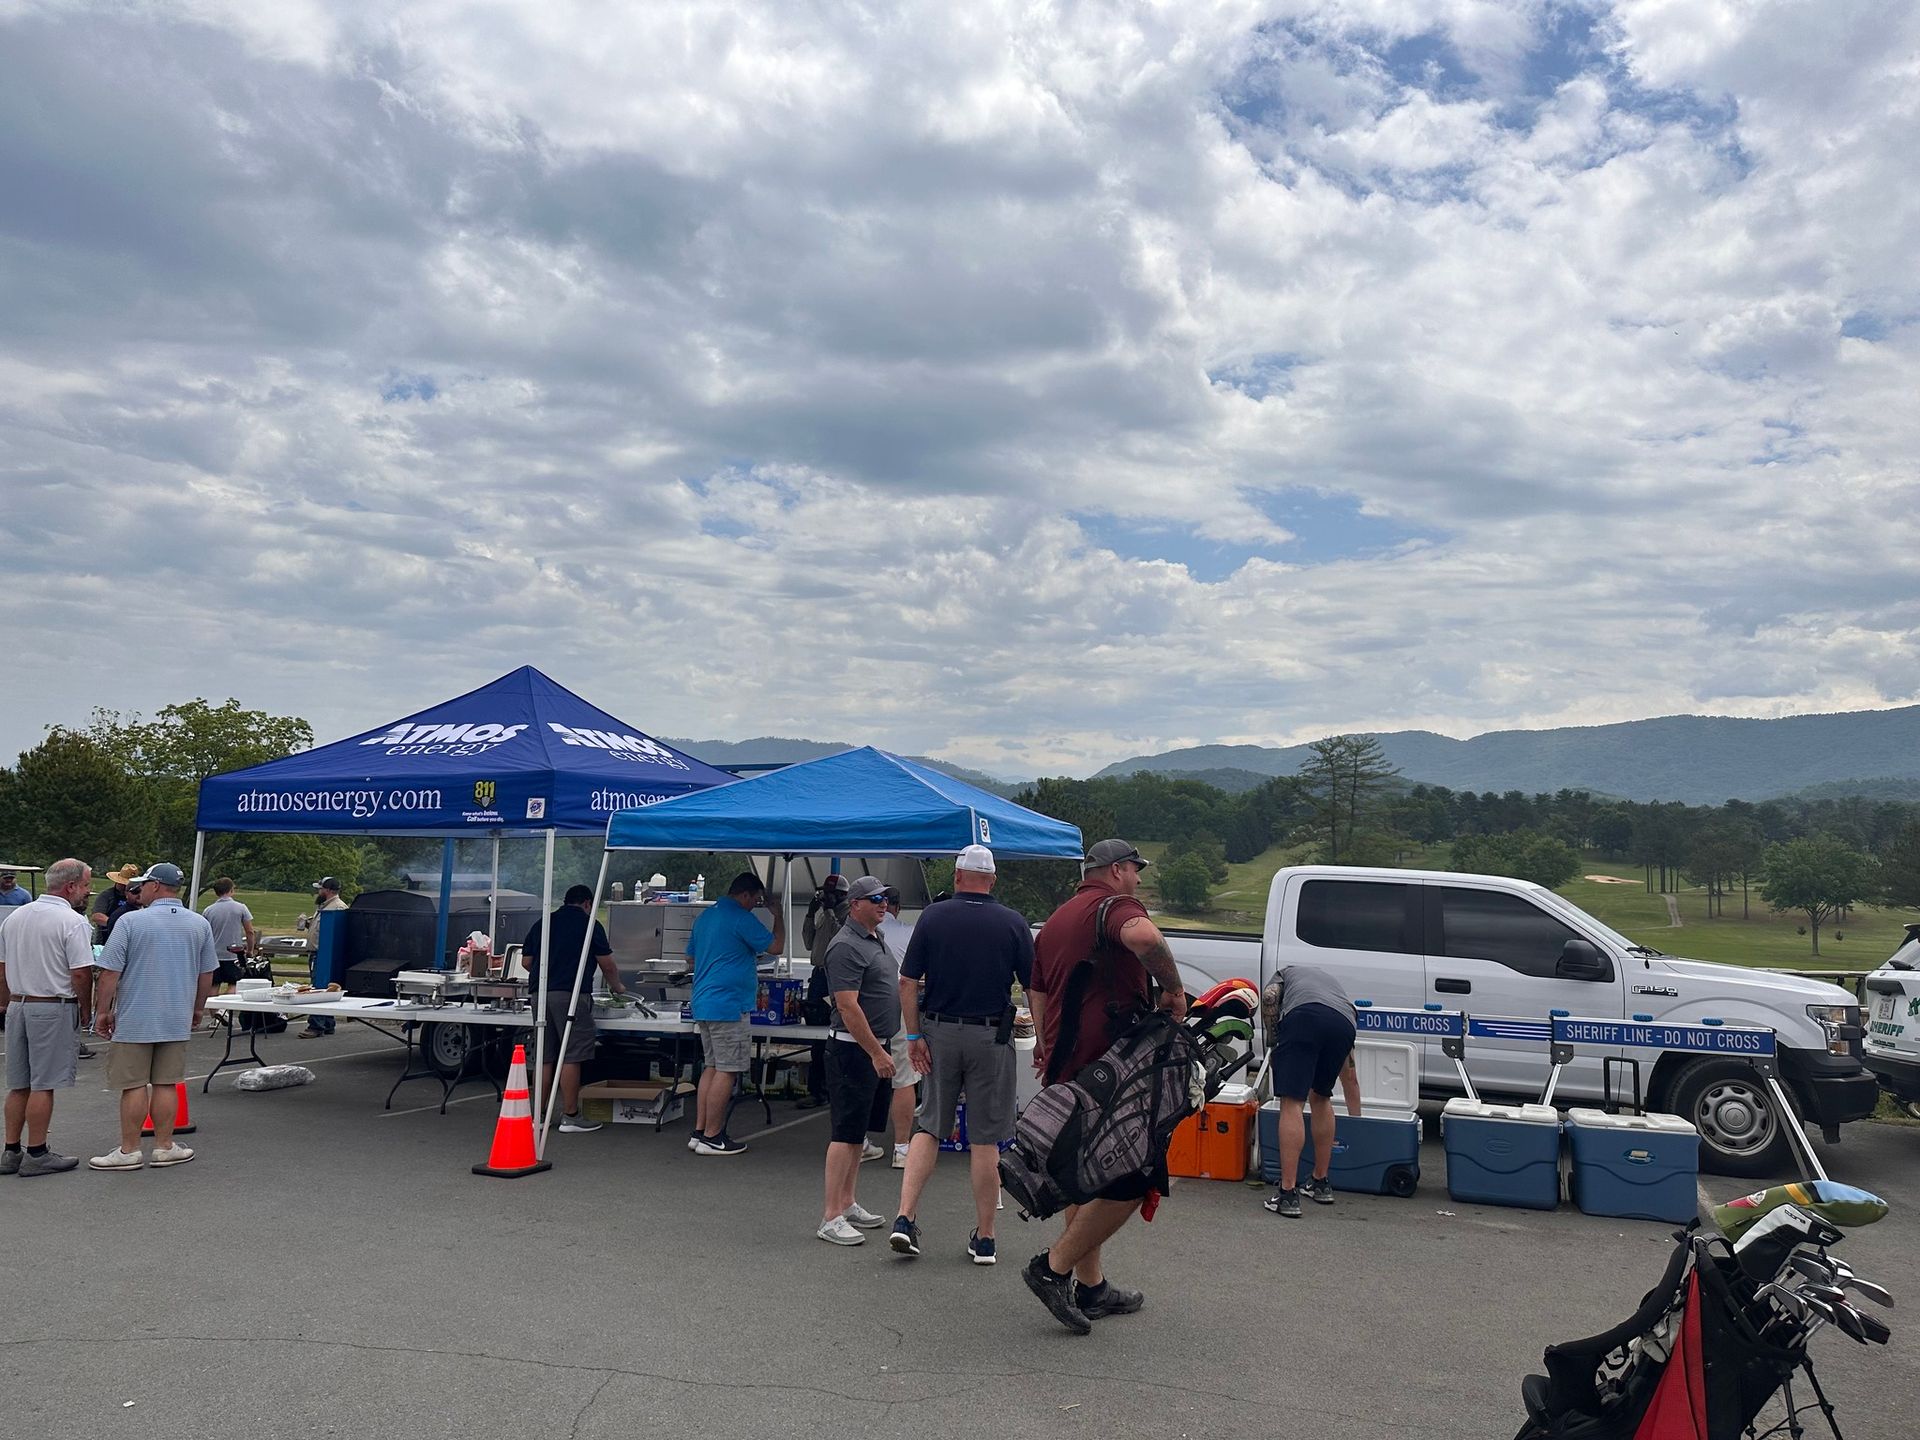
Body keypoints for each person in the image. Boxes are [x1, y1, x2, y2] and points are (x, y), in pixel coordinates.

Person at [1022, 838, 1187, 1334]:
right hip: (1110, 1072)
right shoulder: (1116, 906)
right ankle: (1052, 1269)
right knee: (1135, 1179)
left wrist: (1046, 1043)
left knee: (1083, 1175)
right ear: (1116, 870)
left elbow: (1037, 990)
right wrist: (1173, 992)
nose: (1139, 879)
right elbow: (1145, 939)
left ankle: (1091, 1288)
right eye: (1136, 870)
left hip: (1066, 1067)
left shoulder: (1057, 919)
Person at [888, 845, 1034, 1264]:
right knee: (987, 1139)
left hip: (938, 1033)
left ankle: (904, 1218)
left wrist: (914, 1034)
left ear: (956, 877)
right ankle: (985, 1237)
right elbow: (1032, 987)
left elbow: (907, 981)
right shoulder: (1012, 923)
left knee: (930, 1125)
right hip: (991, 1037)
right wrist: (1042, 1037)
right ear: (992, 879)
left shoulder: (934, 917)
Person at [90, 863, 217, 1171]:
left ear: (156, 886)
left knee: (133, 1084)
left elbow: (109, 972)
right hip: (176, 1014)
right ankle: (164, 1146)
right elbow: (206, 973)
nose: (140, 890)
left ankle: (130, 1149)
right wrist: (198, 1008)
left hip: (137, 1014)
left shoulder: (131, 922)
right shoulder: (199, 923)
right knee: (166, 1082)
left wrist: (103, 1011)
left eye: (144, 885)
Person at [816, 876, 899, 1244]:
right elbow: (847, 1006)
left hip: (871, 1046)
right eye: (875, 899)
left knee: (859, 1135)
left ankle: (847, 1203)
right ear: (855, 905)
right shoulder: (846, 945)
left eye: (884, 898)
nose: (884, 903)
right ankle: (830, 1215)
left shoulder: (874, 938)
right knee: (845, 1134)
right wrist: (877, 1052)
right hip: (853, 1050)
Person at [0, 858, 96, 1176]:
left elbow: (2, 969)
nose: (88, 892)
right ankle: (38, 1152)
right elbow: (81, 973)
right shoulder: (72, 921)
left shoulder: (15, 918)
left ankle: (11, 1149)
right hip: (52, 1004)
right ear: (71, 886)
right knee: (44, 1083)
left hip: (18, 1003)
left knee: (19, 1084)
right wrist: (86, 1010)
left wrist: (5, 1005)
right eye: (85, 885)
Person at [684, 872, 784, 1155]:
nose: (755, 906)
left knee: (712, 1067)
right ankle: (714, 1137)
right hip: (729, 1005)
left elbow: (690, 957)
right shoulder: (741, 918)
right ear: (745, 895)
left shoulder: (705, 917)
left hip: (703, 1001)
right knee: (728, 1070)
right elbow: (776, 947)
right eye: (755, 900)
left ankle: (700, 1131)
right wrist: (778, 916)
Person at [524, 884, 627, 1134]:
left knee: (545, 1056)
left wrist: (548, 974)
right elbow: (608, 965)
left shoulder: (543, 923)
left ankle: (538, 1116)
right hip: (571, 995)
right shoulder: (590, 925)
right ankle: (570, 1115)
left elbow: (527, 962)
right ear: (588, 903)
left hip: (539, 994)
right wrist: (618, 988)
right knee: (571, 1054)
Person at [1260, 965, 1363, 1218]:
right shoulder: (1334, 991)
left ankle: (1287, 1194)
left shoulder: (1284, 974)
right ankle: (1320, 1182)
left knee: (1292, 1101)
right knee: (1321, 1095)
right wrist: (1360, 1126)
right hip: (1344, 1025)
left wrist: (1274, 1045)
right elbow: (1350, 1077)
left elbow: (1270, 997)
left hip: (1304, 1017)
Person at [797, 873, 850, 1110]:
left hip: (835, 974)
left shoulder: (848, 914)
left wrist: (829, 911)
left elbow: (840, 940)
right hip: (819, 975)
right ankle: (816, 1089)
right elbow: (809, 942)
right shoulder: (823, 914)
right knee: (814, 1033)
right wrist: (811, 913)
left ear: (841, 895)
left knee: (833, 1034)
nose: (826, 897)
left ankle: (831, 1088)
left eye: (831, 893)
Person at [876, 886, 918, 1168]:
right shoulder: (909, 932)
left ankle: (858, 1140)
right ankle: (901, 1148)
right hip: (899, 1008)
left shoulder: (852, 934)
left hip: (861, 1010)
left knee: (860, 1077)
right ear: (897, 907)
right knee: (904, 1078)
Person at [295, 877, 348, 1037]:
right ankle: (327, 1023)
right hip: (318, 954)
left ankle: (316, 1025)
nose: (318, 891)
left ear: (328, 890)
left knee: (318, 988)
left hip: (323, 956)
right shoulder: (324, 907)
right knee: (324, 988)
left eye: (320, 888)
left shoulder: (337, 908)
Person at [201, 877, 257, 1027]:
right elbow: (249, 931)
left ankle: (214, 1019)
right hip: (234, 953)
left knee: (214, 985)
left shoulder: (208, 910)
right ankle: (224, 1009)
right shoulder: (240, 908)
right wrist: (250, 950)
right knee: (234, 983)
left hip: (213, 953)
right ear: (231, 890)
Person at [89, 864, 141, 945]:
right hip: (106, 939)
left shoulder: (138, 897)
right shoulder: (106, 895)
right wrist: (117, 925)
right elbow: (97, 916)